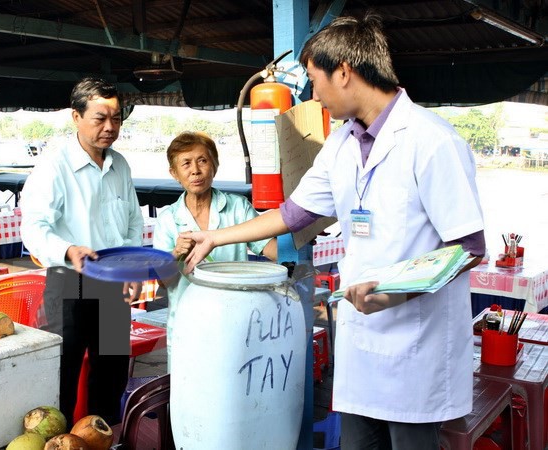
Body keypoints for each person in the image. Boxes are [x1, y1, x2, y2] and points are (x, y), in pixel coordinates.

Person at [183, 14, 485, 450]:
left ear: (343, 71)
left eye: (313, 79)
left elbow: (468, 248)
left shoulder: (431, 141)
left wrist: (397, 294)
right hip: (362, 342)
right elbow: (295, 213)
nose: (313, 93)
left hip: (415, 344)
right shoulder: (342, 143)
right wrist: (216, 237)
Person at [20, 77, 144, 426]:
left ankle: (100, 438)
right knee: (62, 372)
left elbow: (133, 223)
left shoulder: (120, 164)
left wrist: (130, 269)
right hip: (69, 281)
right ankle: (56, 443)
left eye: (117, 118)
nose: (110, 127)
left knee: (111, 372)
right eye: (100, 118)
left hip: (112, 283)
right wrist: (69, 249)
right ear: (76, 117)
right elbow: (32, 227)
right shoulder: (54, 165)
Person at [153, 131, 277, 369]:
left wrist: (298, 234)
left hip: (236, 321)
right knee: (186, 394)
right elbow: (164, 282)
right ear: (174, 173)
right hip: (187, 325)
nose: (195, 170)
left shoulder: (237, 207)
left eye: (202, 160)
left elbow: (269, 248)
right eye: (186, 164)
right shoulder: (168, 218)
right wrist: (176, 254)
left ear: (215, 165)